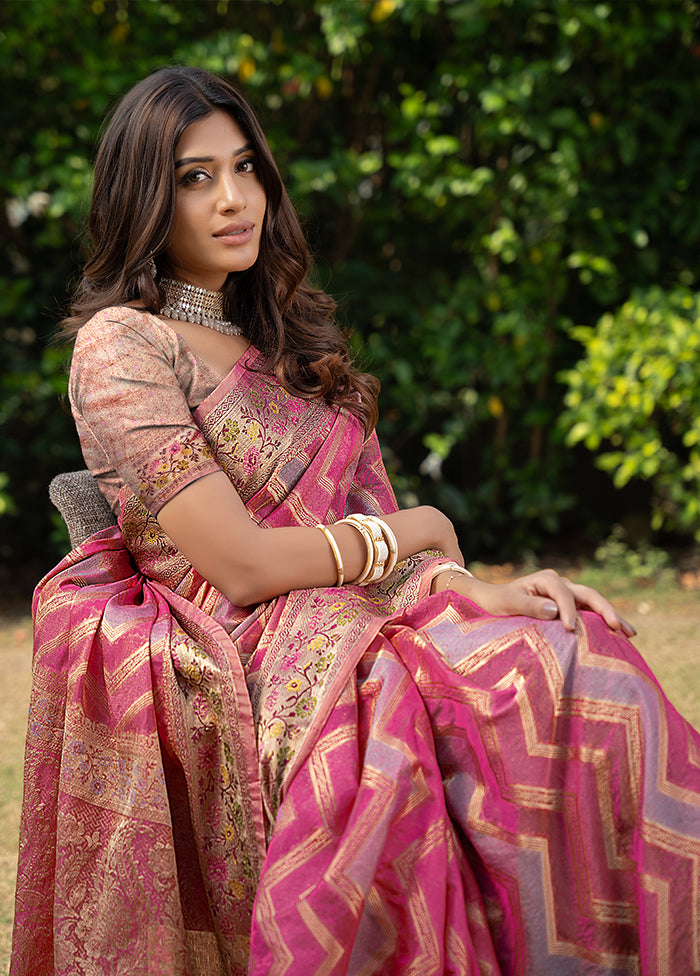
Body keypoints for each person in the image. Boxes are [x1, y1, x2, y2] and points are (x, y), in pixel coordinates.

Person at [10, 65, 700, 976]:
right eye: (195, 176)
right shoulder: (123, 347)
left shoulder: (291, 342)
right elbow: (245, 565)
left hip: (359, 613)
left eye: (246, 168)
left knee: (586, 670)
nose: (233, 198)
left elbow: (373, 519)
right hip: (242, 649)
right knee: (416, 744)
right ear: (145, 195)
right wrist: (414, 529)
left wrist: (477, 588)